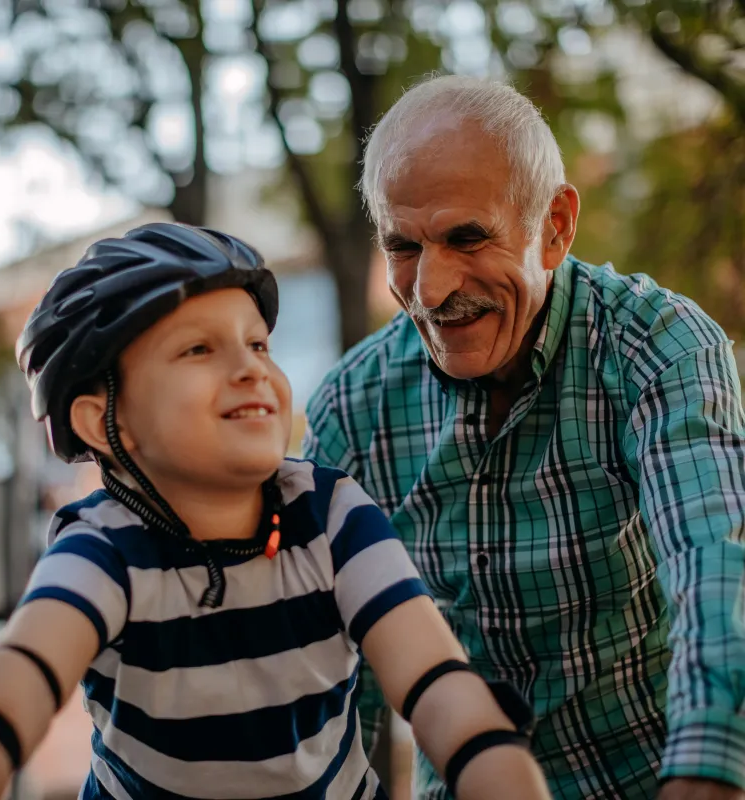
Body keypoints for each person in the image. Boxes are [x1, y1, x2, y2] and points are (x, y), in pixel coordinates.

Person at [0, 222, 552, 800]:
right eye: (199, 349)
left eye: (258, 343)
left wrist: (491, 755)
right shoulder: (103, 549)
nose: (250, 368)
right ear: (104, 422)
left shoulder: (330, 514)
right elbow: (18, 677)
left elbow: (437, 681)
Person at [303, 75, 745, 800]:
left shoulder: (657, 348)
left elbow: (715, 561)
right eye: (404, 246)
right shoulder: (352, 410)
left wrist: (709, 768)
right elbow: (340, 686)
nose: (433, 289)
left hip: (659, 774)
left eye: (467, 236)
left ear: (557, 226)